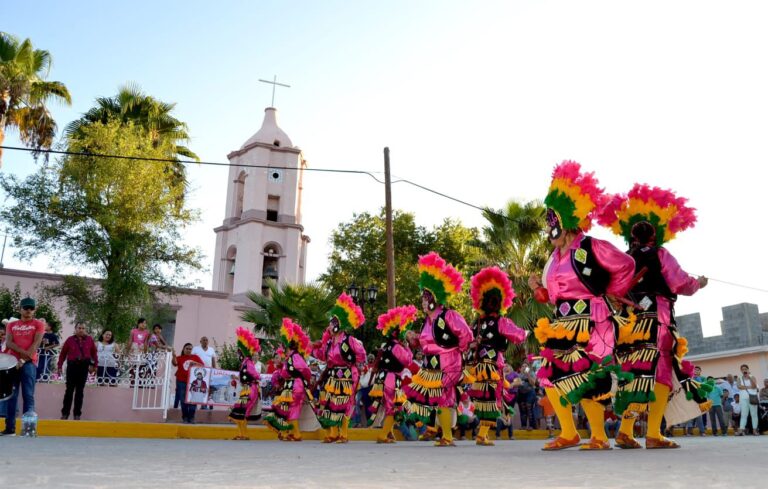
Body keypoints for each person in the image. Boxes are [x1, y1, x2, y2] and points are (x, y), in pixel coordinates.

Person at [528, 161, 635, 451]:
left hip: (594, 320)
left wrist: (610, 291)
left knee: (590, 376)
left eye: (552, 223)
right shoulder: (554, 258)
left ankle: (599, 436)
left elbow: (626, 265)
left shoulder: (592, 246)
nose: (549, 229)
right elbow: (553, 296)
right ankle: (569, 432)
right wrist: (537, 288)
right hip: (562, 324)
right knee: (551, 376)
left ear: (565, 223)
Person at [599, 183, 712, 449]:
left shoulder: (624, 258)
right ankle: (653, 434)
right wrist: (699, 283)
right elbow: (680, 282)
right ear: (654, 236)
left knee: (635, 372)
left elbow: (610, 289)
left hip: (629, 322)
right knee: (661, 370)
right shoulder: (660, 254)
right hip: (657, 317)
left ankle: (625, 431)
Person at [404, 251, 473, 447]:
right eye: (422, 298)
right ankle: (439, 431)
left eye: (425, 298)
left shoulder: (449, 315)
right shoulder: (426, 322)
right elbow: (425, 344)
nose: (422, 302)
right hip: (431, 366)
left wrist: (458, 351)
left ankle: (447, 436)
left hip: (449, 364)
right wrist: (414, 340)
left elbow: (466, 334)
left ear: (434, 298)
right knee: (429, 397)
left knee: (442, 396)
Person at [466, 266, 527, 445]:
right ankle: (482, 434)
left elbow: (467, 341)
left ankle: (482, 433)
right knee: (492, 399)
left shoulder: (477, 322)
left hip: (477, 367)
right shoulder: (501, 322)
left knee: (483, 399)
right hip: (492, 366)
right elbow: (518, 335)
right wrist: (530, 332)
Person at [313, 293, 367, 443]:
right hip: (333, 376)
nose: (329, 327)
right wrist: (314, 346)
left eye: (331, 324)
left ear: (338, 325)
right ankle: (333, 433)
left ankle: (343, 434)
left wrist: (357, 366)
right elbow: (323, 356)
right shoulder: (329, 343)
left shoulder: (349, 340)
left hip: (348, 375)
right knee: (330, 403)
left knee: (345, 403)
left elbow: (361, 354)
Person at [369, 305, 415, 443]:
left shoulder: (387, 345)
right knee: (393, 407)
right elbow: (408, 361)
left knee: (390, 406)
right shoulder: (397, 347)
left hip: (383, 378)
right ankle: (383, 435)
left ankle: (389, 433)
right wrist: (407, 347)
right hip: (391, 379)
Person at [266, 318, 316, 441]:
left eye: (284, 346)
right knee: (285, 408)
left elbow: (306, 370)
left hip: (296, 386)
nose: (283, 348)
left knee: (292, 408)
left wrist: (305, 379)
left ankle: (296, 434)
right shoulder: (289, 358)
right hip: (289, 387)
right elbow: (284, 374)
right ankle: (288, 432)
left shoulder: (295, 356)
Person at [2, 298, 45, 436]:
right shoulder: (11, 325)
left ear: (34, 310)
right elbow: (9, 343)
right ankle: (10, 429)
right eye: (26, 308)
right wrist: (22, 355)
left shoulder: (39, 324)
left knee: (28, 395)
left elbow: (36, 344)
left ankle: (28, 429)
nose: (28, 311)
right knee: (11, 396)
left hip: (28, 364)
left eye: (31, 308)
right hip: (12, 364)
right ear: (20, 309)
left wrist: (23, 358)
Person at [57, 322, 98, 420]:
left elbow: (94, 354)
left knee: (80, 391)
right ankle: (65, 414)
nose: (81, 330)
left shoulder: (89, 340)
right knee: (69, 391)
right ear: (75, 329)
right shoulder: (70, 340)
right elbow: (63, 354)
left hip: (84, 367)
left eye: (83, 328)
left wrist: (95, 366)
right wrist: (59, 366)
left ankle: (77, 415)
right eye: (79, 328)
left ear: (85, 330)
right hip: (72, 366)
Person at [228, 327, 262, 440]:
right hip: (246, 388)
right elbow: (246, 376)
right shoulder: (245, 362)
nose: (240, 351)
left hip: (251, 389)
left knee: (242, 410)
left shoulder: (248, 362)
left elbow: (256, 375)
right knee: (239, 410)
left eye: (241, 350)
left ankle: (243, 434)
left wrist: (256, 377)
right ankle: (241, 434)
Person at [171, 343, 203, 423]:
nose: (188, 350)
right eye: (187, 348)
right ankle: (185, 417)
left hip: (193, 382)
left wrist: (195, 363)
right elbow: (174, 363)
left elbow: (202, 366)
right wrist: (174, 356)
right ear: (183, 349)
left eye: (190, 349)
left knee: (193, 400)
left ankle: (191, 417)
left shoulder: (195, 357)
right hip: (181, 381)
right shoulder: (179, 358)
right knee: (183, 400)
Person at [192, 336, 218, 410]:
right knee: (197, 388)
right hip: (198, 372)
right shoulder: (195, 349)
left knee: (206, 388)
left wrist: (215, 370)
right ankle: (194, 405)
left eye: (206, 340)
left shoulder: (211, 349)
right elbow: (192, 359)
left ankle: (204, 405)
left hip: (208, 372)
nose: (205, 341)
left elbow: (213, 360)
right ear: (200, 341)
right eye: (203, 340)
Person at [735, 364, 759, 436]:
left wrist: (749, 377)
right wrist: (749, 387)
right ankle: (741, 430)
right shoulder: (739, 378)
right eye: (743, 369)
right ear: (741, 370)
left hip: (752, 398)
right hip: (743, 398)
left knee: (754, 414)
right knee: (744, 414)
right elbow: (739, 386)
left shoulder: (752, 377)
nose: (744, 370)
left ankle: (755, 430)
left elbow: (754, 386)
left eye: (745, 369)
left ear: (748, 369)